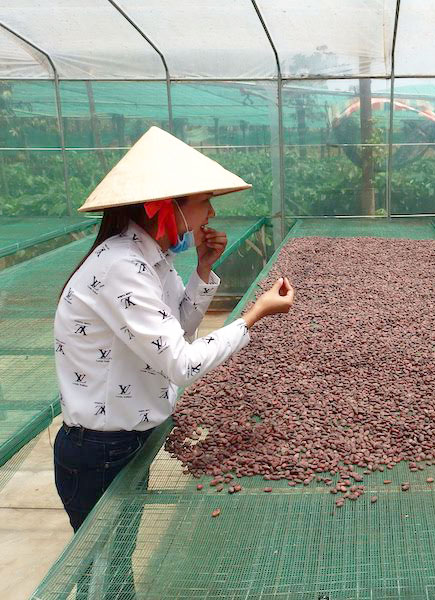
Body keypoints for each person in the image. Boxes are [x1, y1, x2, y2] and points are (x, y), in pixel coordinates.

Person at [53, 127, 294, 544]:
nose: (211, 214)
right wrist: (254, 315)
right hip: (100, 449)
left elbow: (176, 333)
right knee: (103, 570)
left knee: (113, 562)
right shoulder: (122, 268)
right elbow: (182, 365)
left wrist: (203, 268)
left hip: (124, 439)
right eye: (204, 202)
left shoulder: (151, 258)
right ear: (166, 207)